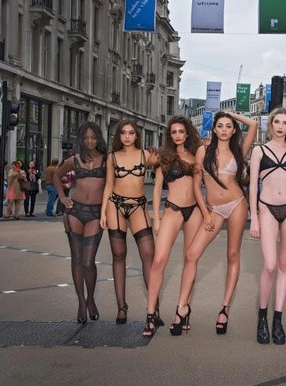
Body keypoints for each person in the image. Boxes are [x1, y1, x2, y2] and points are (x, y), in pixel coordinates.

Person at [170, 111, 257, 336]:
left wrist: (230, 114)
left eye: (228, 126)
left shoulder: (239, 151)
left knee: (232, 255)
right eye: (220, 126)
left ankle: (224, 309)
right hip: (213, 209)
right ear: (214, 129)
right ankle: (182, 307)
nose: (224, 129)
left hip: (237, 204)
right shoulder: (204, 150)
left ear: (234, 130)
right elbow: (196, 184)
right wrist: (205, 214)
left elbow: (254, 124)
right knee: (191, 254)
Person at [249, 108, 286, 344]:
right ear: (270, 124)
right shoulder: (259, 151)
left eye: (285, 123)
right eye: (277, 122)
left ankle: (277, 320)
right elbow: (253, 186)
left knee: (284, 264)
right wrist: (254, 217)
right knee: (270, 265)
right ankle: (262, 318)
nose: (281, 126)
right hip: (267, 208)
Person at [142, 116, 202, 337]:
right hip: (173, 209)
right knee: (159, 261)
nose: (177, 135)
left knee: (190, 259)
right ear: (170, 135)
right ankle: (150, 314)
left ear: (187, 134)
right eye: (174, 132)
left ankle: (182, 310)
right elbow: (158, 188)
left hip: (194, 211)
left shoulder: (196, 155)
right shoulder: (164, 157)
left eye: (181, 131)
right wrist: (156, 218)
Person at [100, 120, 159, 324]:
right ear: (119, 135)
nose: (127, 136)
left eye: (131, 133)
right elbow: (108, 185)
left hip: (139, 206)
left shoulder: (146, 155)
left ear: (137, 135)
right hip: (114, 205)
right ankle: (121, 308)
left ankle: (154, 308)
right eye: (123, 133)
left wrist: (158, 150)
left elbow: (169, 160)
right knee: (118, 255)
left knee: (148, 255)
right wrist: (103, 212)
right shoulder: (112, 157)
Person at [55, 122, 108, 324]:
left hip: (95, 213)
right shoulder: (74, 160)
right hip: (74, 211)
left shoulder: (107, 160)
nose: (89, 141)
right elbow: (57, 177)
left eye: (93, 137)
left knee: (88, 261)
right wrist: (62, 197)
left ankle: (91, 298)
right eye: (85, 138)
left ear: (98, 138)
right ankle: (81, 303)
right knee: (76, 259)